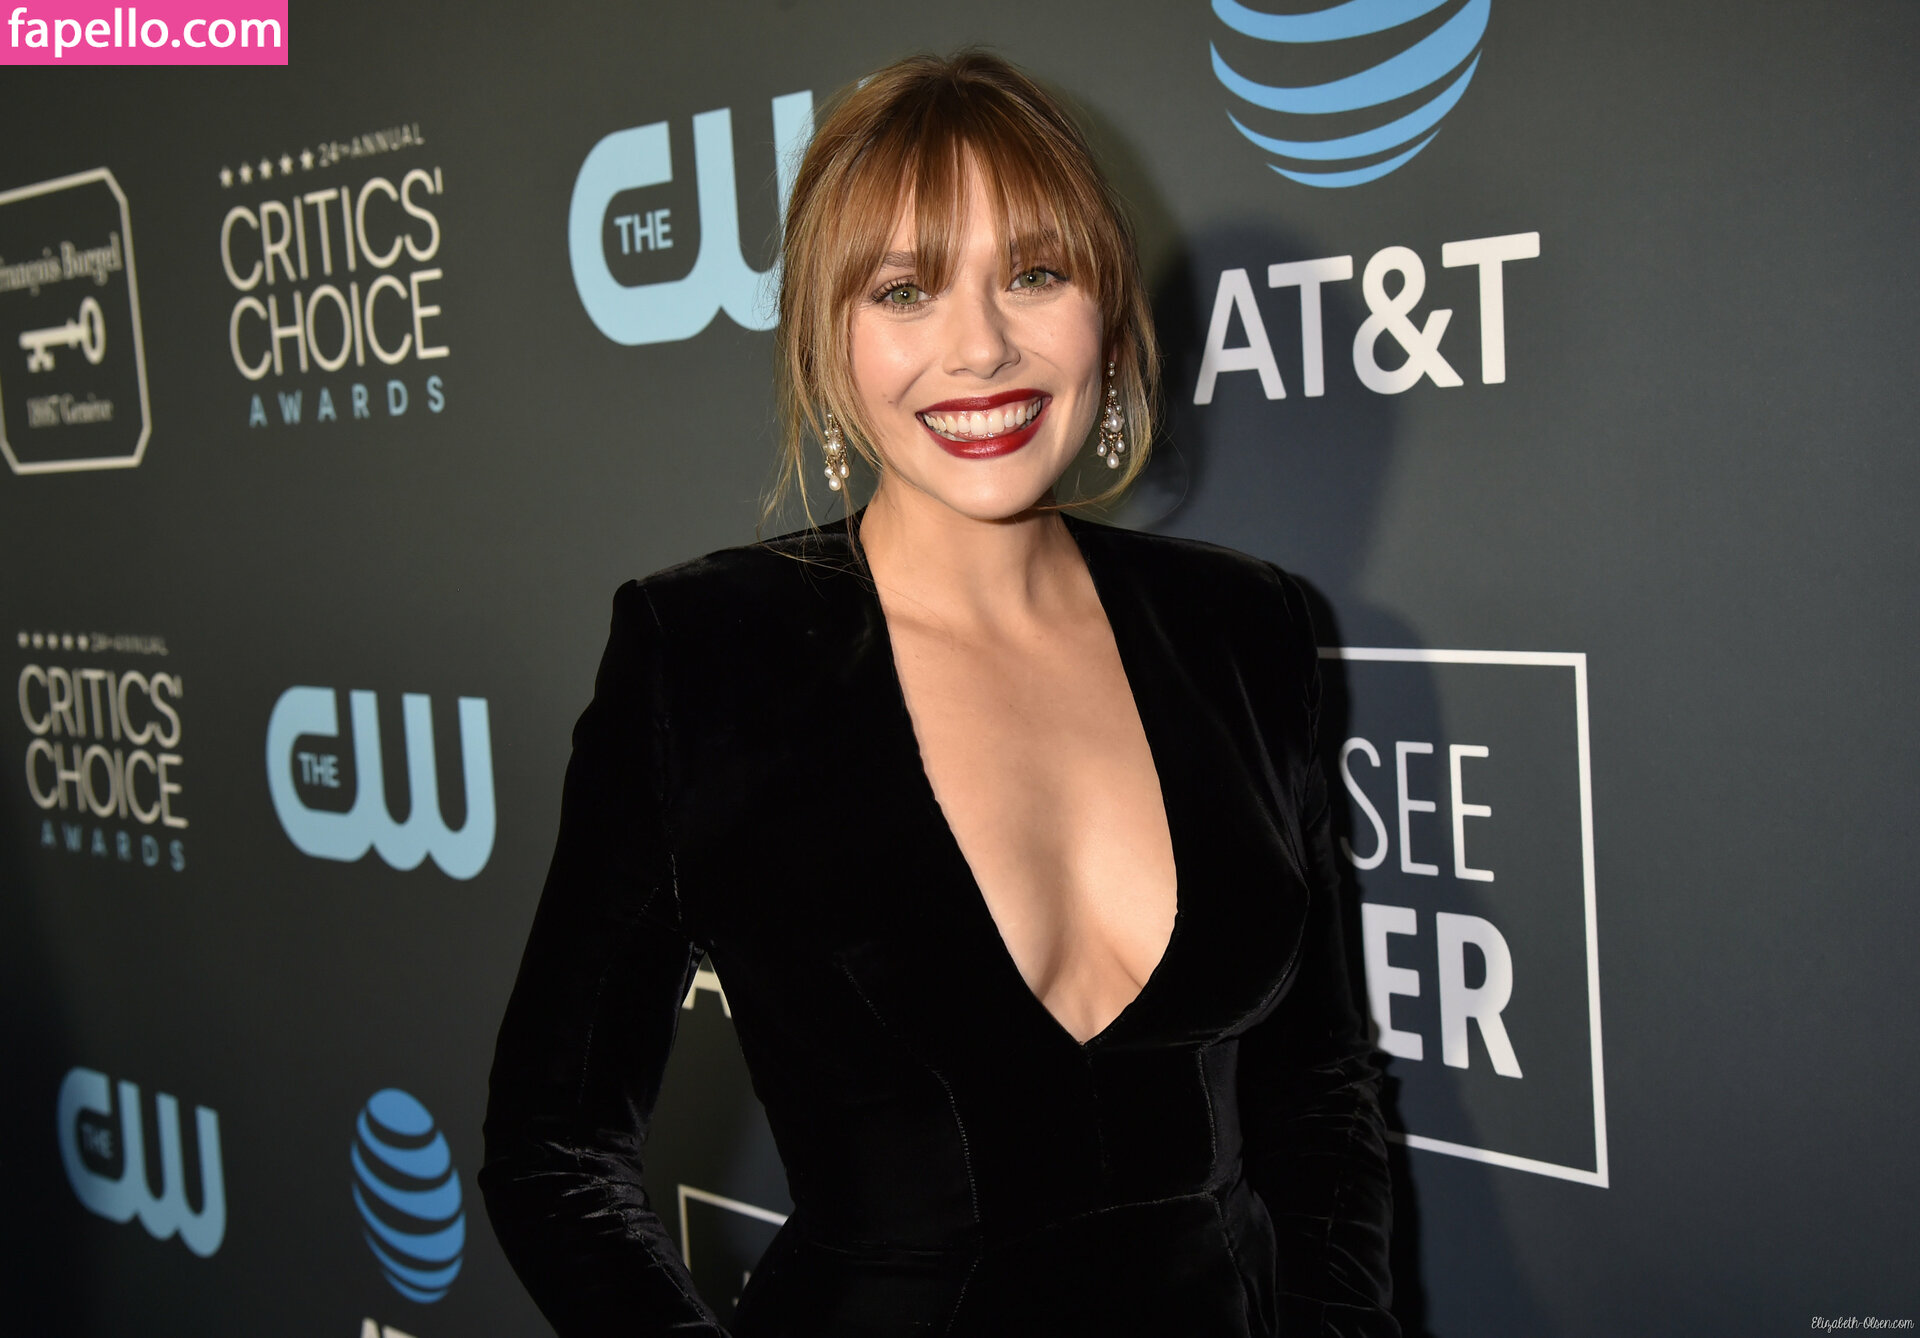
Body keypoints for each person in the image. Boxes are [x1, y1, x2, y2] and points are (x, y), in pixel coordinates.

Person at [479, 49, 1395, 1338]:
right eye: (905, 290)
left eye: (1034, 274)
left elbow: (1321, 1098)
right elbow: (552, 1154)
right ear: (825, 337)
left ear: (1107, 303)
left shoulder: (1244, 631)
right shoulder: (708, 656)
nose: (980, 347)